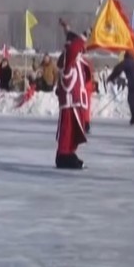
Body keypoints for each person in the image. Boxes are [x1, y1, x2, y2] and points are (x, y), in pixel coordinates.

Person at [54, 31, 92, 170]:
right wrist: (83, 37)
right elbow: (72, 50)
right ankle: (63, 155)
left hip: (77, 102)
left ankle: (69, 153)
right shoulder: (68, 58)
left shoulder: (77, 61)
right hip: (70, 103)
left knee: (74, 132)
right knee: (67, 131)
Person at [108, 50, 134, 126]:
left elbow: (117, 69)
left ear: (126, 56)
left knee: (132, 101)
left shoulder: (127, 62)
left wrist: (111, 78)